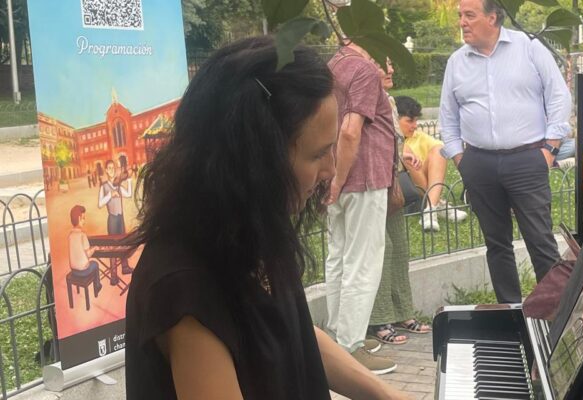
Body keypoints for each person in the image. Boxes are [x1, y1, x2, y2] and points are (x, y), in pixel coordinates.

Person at [125, 37, 408, 399]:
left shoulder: (252, 228)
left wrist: (393, 396)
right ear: (254, 162)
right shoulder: (185, 290)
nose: (330, 170)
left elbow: (293, 333)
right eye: (317, 154)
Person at [439, 0, 571, 303]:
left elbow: (559, 97)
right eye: (460, 15)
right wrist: (460, 159)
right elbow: (448, 117)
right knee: (496, 244)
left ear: (492, 17)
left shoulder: (529, 47)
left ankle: (555, 312)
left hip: (528, 159)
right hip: (478, 162)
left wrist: (550, 149)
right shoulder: (457, 62)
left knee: (540, 240)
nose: (462, 22)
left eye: (469, 15)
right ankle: (509, 310)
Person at [323, 40, 400, 374]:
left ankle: (336, 337)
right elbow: (350, 131)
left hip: (338, 177)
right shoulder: (364, 69)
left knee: (339, 258)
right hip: (364, 178)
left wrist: (333, 179)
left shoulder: (334, 64)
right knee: (363, 263)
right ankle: (350, 347)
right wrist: (339, 180)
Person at [368, 62, 430, 346]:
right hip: (369, 180)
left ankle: (402, 312)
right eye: (383, 64)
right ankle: (379, 319)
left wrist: (402, 156)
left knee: (399, 247)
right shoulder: (362, 96)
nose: (390, 69)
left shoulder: (389, 100)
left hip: (389, 179)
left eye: (391, 63)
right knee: (382, 249)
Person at [395, 96, 469, 232]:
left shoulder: (418, 136)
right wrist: (400, 153)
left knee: (439, 150)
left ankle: (430, 210)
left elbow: (442, 150)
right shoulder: (385, 137)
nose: (415, 126)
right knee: (407, 155)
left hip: (419, 186)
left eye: (416, 121)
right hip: (398, 186)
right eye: (410, 121)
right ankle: (437, 205)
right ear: (395, 119)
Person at [98, 159, 133, 281]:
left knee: (123, 243)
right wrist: (110, 195)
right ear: (106, 171)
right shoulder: (104, 186)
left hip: (120, 218)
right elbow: (100, 204)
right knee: (112, 247)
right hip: (112, 219)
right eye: (109, 168)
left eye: (113, 168)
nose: (112, 170)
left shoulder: (118, 185)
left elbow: (128, 194)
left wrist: (129, 180)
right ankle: (113, 275)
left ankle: (125, 267)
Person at [68, 205, 102, 296]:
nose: (84, 221)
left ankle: (94, 286)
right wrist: (94, 248)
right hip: (83, 271)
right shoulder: (82, 235)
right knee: (95, 264)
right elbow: (88, 254)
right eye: (83, 218)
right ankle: (97, 286)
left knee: (90, 263)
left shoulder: (70, 235)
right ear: (79, 218)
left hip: (73, 270)